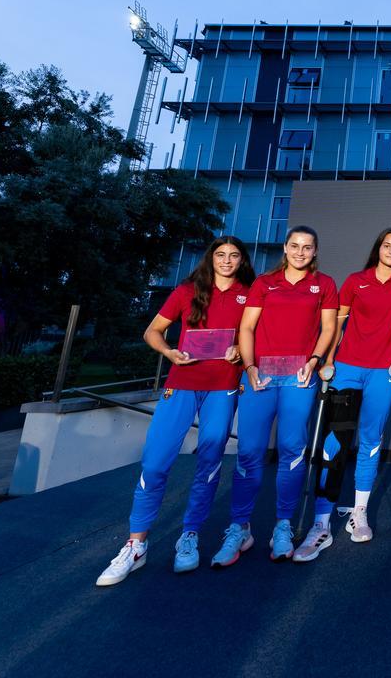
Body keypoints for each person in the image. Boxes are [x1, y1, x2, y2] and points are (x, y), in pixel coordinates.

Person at [96, 237, 255, 586]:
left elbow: (254, 338)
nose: (227, 260)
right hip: (181, 384)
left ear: (242, 260)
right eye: (220, 255)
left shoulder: (250, 293)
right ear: (211, 259)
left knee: (210, 460)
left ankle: (190, 536)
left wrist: (241, 354)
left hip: (223, 387)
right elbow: (152, 331)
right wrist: (169, 352)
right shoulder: (187, 290)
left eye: (233, 255)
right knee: (154, 463)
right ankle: (136, 545)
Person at [211, 226, 338, 567]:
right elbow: (247, 328)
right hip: (261, 376)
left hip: (299, 377)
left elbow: (328, 328)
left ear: (314, 251)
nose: (300, 252)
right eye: (294, 246)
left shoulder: (324, 284)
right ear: (285, 247)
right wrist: (249, 366)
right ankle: (240, 528)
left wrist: (314, 361)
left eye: (307, 247)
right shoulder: (265, 283)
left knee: (292, 452)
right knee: (249, 452)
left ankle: (283, 526)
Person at [294, 228, 391, 559]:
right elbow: (336, 322)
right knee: (334, 441)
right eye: (386, 245)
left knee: (370, 439)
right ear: (377, 248)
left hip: (384, 372)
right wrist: (329, 359)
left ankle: (359, 513)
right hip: (347, 367)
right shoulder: (355, 280)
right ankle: (320, 522)